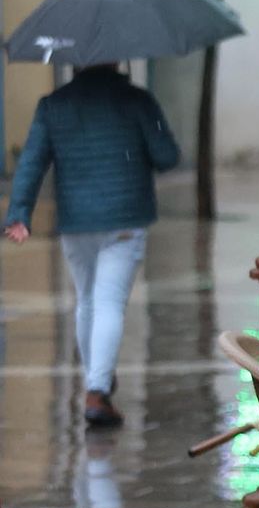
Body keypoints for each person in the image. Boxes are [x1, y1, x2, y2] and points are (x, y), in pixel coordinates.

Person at [3, 64, 180, 428]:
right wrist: (151, 127)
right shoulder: (136, 100)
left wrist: (19, 213)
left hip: (76, 221)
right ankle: (97, 391)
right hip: (124, 217)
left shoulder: (52, 105)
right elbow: (167, 156)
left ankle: (95, 380)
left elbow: (32, 163)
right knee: (109, 301)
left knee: (87, 300)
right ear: (117, 60)